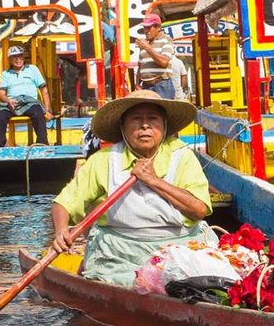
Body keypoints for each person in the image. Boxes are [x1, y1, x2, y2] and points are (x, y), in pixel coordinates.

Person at [51, 90, 213, 286]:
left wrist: (153, 180)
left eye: (152, 119)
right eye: (136, 119)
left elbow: (199, 210)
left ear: (164, 127)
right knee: (130, 284)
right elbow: (64, 203)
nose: (145, 125)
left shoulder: (182, 156)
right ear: (123, 127)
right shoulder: (104, 160)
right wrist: (61, 231)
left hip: (180, 248)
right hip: (119, 253)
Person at [0, 46, 48, 147]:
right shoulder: (5, 74)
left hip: (29, 103)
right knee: (0, 117)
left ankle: (42, 143)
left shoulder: (33, 69)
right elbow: (1, 93)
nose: (18, 59)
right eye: (14, 57)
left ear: (23, 57)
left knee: (37, 112)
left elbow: (44, 89)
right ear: (9, 59)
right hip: (11, 105)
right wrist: (8, 100)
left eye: (20, 56)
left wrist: (47, 109)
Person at [131, 13, 177, 99]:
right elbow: (141, 66)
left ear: (158, 27)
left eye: (149, 27)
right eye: (145, 27)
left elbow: (164, 62)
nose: (146, 31)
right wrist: (137, 84)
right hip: (146, 86)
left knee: (163, 111)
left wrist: (147, 48)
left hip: (162, 86)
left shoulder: (166, 40)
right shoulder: (144, 43)